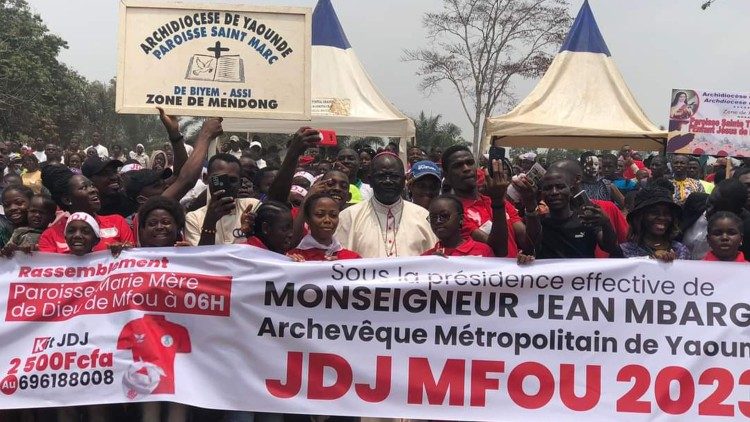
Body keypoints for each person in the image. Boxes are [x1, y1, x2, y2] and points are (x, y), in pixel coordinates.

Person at [441, 145, 525, 257]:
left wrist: (530, 204)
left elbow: (527, 242)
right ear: (446, 175)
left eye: (470, 162)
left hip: (513, 274)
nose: (466, 168)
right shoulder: (452, 213)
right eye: (457, 166)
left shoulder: (497, 200)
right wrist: (498, 203)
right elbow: (498, 250)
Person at [525, 167, 620, 259]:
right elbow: (529, 249)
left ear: (571, 190)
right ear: (542, 194)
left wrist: (606, 223)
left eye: (560, 187)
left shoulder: (586, 219)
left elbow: (610, 247)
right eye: (548, 188)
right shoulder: (538, 223)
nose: (554, 192)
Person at [37, 165, 134, 253]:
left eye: (92, 185)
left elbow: (132, 258)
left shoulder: (118, 222)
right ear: (67, 199)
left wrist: (122, 252)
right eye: (84, 187)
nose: (93, 190)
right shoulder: (50, 236)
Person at [185, 153, 259, 246]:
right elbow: (201, 258)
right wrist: (210, 221)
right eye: (220, 180)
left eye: (232, 180)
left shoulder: (253, 206)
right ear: (206, 178)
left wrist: (251, 232)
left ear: (240, 183)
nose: (226, 185)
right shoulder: (193, 218)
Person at [619, 186, 689, 261]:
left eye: (667, 213)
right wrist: (650, 259)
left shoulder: (680, 251)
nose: (662, 217)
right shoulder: (625, 251)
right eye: (654, 213)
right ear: (641, 217)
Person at [286, 193, 361, 260]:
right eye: (320, 214)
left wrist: (342, 267)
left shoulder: (352, 259)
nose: (327, 220)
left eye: (333, 215)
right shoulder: (293, 257)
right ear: (307, 219)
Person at [422, 195, 494, 257]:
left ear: (461, 219)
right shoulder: (426, 258)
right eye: (433, 217)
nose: (438, 221)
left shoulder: (483, 251)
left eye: (444, 216)